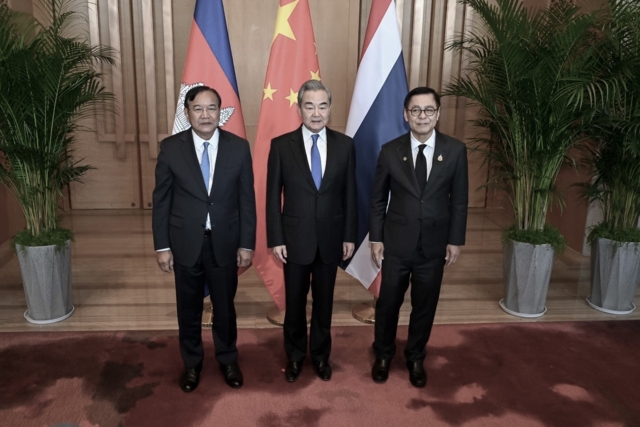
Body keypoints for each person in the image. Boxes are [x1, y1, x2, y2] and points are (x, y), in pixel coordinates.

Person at [152, 85, 256, 393]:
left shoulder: (238, 148)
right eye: (198, 109)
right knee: (188, 308)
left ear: (220, 112)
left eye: (211, 108)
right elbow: (162, 201)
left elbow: (246, 200)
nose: (205, 115)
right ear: (187, 113)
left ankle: (228, 359)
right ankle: (192, 363)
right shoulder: (171, 148)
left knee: (225, 306)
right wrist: (162, 246)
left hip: (225, 241)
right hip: (185, 243)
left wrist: (246, 243)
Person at [369, 86, 468, 388]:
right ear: (405, 115)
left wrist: (455, 240)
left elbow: (459, 201)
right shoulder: (390, 151)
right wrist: (376, 238)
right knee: (388, 303)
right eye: (415, 110)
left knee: (425, 305)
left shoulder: (455, 150)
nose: (422, 116)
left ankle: (415, 356)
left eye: (428, 110)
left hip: (434, 245)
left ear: (437, 114)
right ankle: (383, 354)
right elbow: (377, 200)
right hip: (396, 243)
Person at [266, 80, 357, 382]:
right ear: (299, 109)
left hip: (331, 238)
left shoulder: (345, 145)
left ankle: (320, 355)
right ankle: (294, 356)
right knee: (294, 303)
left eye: (322, 106)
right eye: (309, 106)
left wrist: (349, 235)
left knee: (324, 302)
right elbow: (272, 196)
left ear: (330, 109)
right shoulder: (281, 145)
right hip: (294, 240)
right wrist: (276, 237)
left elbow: (350, 194)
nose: (316, 113)